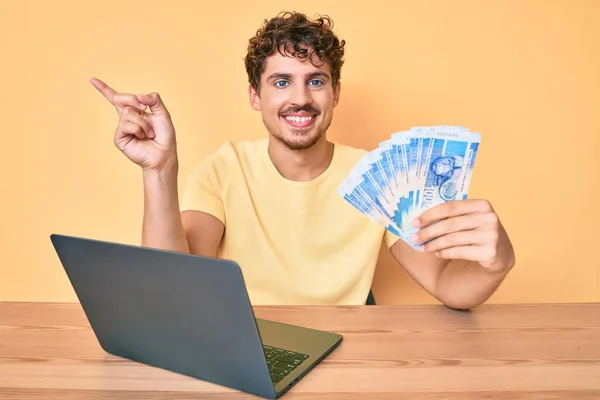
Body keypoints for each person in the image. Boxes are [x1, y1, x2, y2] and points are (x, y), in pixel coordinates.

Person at [90, 11, 515, 308]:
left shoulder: (377, 178)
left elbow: (447, 284)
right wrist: (160, 170)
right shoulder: (224, 169)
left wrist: (499, 263)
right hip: (251, 345)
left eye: (316, 80)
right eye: (281, 81)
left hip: (349, 351)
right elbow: (173, 286)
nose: (300, 98)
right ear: (256, 96)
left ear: (336, 93)